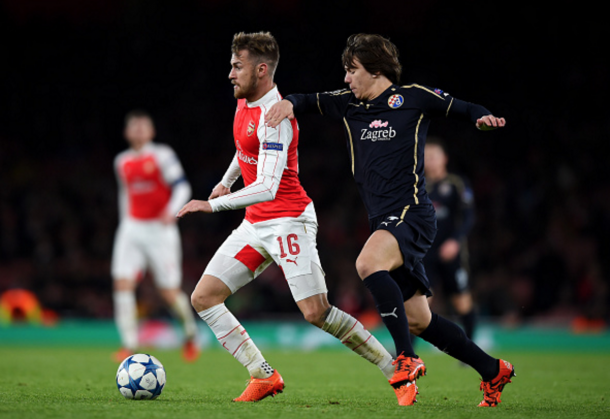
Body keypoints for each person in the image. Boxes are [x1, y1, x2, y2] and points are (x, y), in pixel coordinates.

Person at [265, 33, 513, 407]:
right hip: (383, 219)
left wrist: (483, 117)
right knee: (419, 320)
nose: (346, 79)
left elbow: (463, 107)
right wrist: (286, 103)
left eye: (352, 71)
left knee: (367, 262)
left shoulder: (413, 97)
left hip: (412, 213)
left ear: (376, 70)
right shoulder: (349, 104)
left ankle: (406, 357)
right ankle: (493, 370)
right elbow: (307, 100)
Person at [177, 32, 397, 403]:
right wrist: (225, 182)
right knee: (204, 297)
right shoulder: (244, 102)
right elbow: (243, 148)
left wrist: (210, 205)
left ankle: (394, 368)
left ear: (261, 70)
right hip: (254, 225)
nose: (230, 73)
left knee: (316, 312)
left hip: (288, 222)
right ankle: (261, 375)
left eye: (237, 66)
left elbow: (266, 185)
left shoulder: (275, 115)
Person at [111, 110, 199, 363]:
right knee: (122, 284)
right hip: (132, 228)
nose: (138, 129)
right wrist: (125, 225)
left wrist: (172, 212)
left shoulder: (162, 155)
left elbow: (182, 186)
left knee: (168, 291)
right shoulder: (121, 161)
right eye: (134, 126)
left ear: (151, 131)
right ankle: (129, 344)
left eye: (143, 125)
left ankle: (191, 335)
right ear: (127, 133)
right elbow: (125, 196)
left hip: (160, 231)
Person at [423, 137, 477, 342]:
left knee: (462, 301)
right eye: (426, 157)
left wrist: (455, 241)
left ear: (444, 158)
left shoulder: (456, 183)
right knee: (421, 301)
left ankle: (471, 348)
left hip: (452, 251)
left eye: (434, 156)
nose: (430, 161)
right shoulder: (418, 186)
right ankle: (407, 352)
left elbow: (469, 216)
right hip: (425, 252)